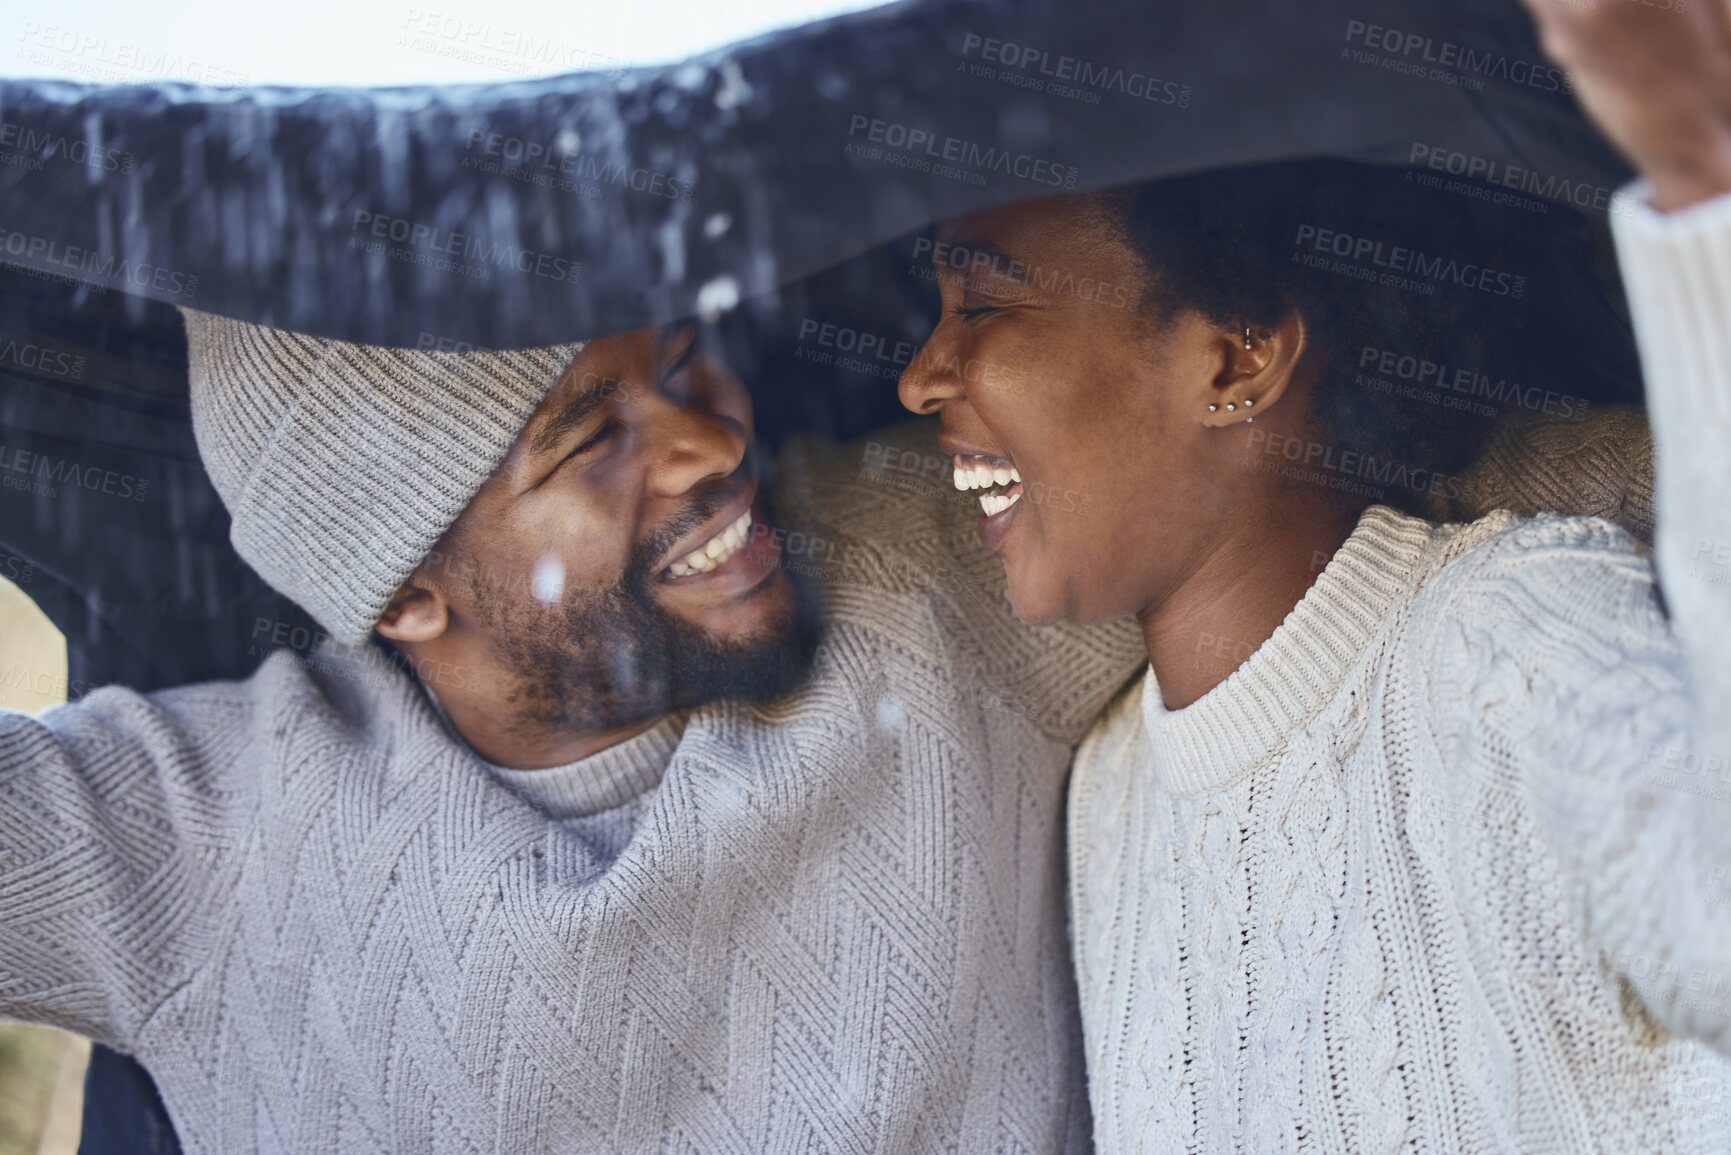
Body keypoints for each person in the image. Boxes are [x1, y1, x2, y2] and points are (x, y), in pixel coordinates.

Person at [0, 312, 1147, 1151]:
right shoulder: (207, 839)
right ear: (405, 596)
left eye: (685, 357)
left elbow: (1232, 444)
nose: (710, 443)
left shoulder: (927, 565)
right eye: (591, 439)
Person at [896, 1, 1731, 1150]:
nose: (921, 376)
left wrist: (1700, 186)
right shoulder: (1106, 798)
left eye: (984, 303)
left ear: (1238, 354)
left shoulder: (1507, 640)